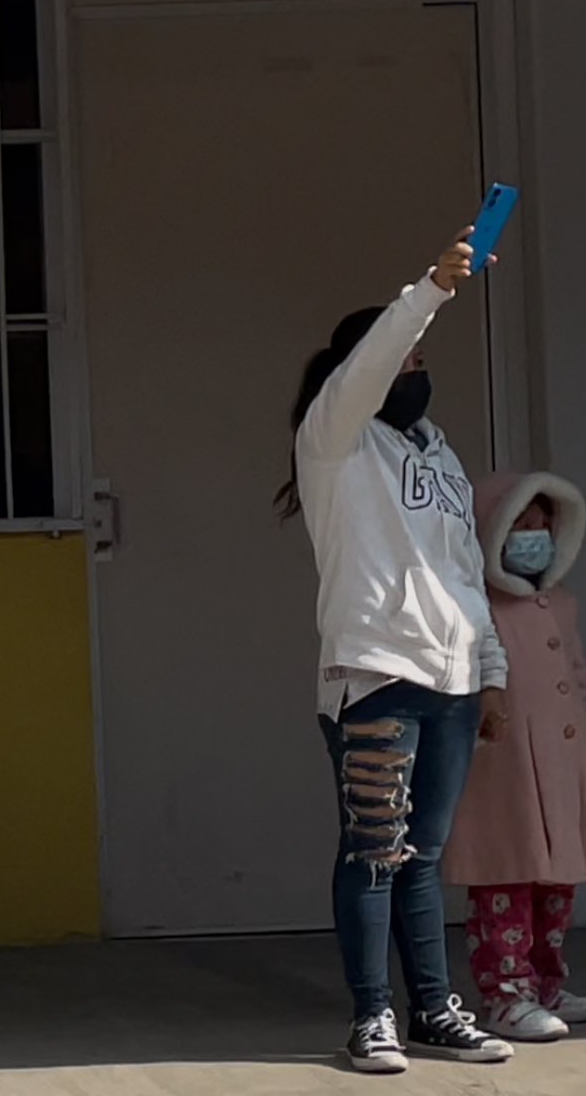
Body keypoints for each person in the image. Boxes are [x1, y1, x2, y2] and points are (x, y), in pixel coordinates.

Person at [276, 232, 512, 1074]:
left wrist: (488, 673)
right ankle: (370, 1016)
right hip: (374, 678)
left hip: (448, 684)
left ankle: (433, 1011)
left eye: (420, 356)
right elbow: (371, 366)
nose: (414, 367)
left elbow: (461, 566)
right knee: (371, 851)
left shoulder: (436, 451)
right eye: (401, 356)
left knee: (421, 857)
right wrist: (430, 289)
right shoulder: (334, 440)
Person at [442, 471, 586, 1040]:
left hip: (561, 766)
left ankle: (547, 982)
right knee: (507, 877)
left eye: (543, 522)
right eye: (520, 523)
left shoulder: (562, 604)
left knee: (556, 883)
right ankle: (506, 993)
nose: (535, 533)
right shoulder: (477, 606)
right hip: (503, 771)